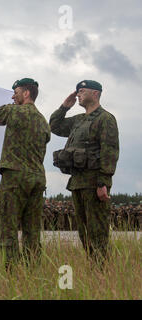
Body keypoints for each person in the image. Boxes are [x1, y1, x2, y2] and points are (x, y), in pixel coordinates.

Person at [50, 80, 119, 263]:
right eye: (77, 91)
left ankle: (102, 271)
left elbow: (109, 151)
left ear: (95, 93)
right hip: (78, 182)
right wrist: (64, 107)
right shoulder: (79, 120)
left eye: (82, 91)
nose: (78, 94)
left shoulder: (105, 118)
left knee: (98, 231)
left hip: (94, 182)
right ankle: (94, 269)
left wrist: (103, 182)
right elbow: (54, 126)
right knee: (84, 232)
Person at [0, 78, 51, 269]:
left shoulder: (15, 111)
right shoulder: (43, 121)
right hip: (37, 179)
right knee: (32, 230)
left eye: (16, 92)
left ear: (26, 93)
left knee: (7, 227)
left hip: (15, 177)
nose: (13, 96)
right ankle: (32, 269)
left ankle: (11, 271)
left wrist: (13, 104)